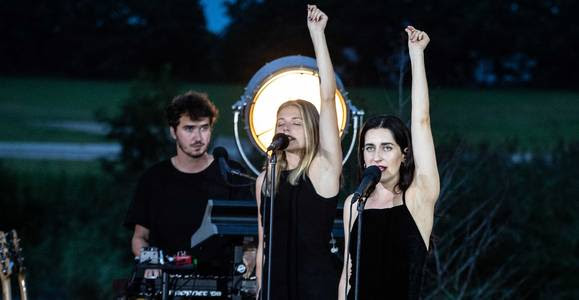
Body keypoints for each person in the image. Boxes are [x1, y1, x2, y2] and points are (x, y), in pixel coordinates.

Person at [338, 26, 440, 300]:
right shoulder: (354, 203)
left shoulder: (418, 197)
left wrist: (416, 55)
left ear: (404, 153)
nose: (377, 156)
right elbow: (347, 273)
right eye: (369, 148)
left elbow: (421, 121)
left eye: (387, 147)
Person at [255, 5, 342, 300]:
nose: (286, 128)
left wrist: (318, 36)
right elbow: (263, 244)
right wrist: (259, 290)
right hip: (275, 289)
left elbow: (328, 99)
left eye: (295, 122)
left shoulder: (322, 169)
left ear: (311, 129)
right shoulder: (265, 179)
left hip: (315, 289)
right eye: (281, 123)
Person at [124, 91, 252, 276]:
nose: (198, 138)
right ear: (173, 131)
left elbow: (250, 237)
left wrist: (248, 264)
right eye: (189, 129)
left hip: (222, 282)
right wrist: (151, 264)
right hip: (167, 283)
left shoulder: (232, 174)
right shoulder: (154, 178)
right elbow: (140, 237)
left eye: (204, 128)